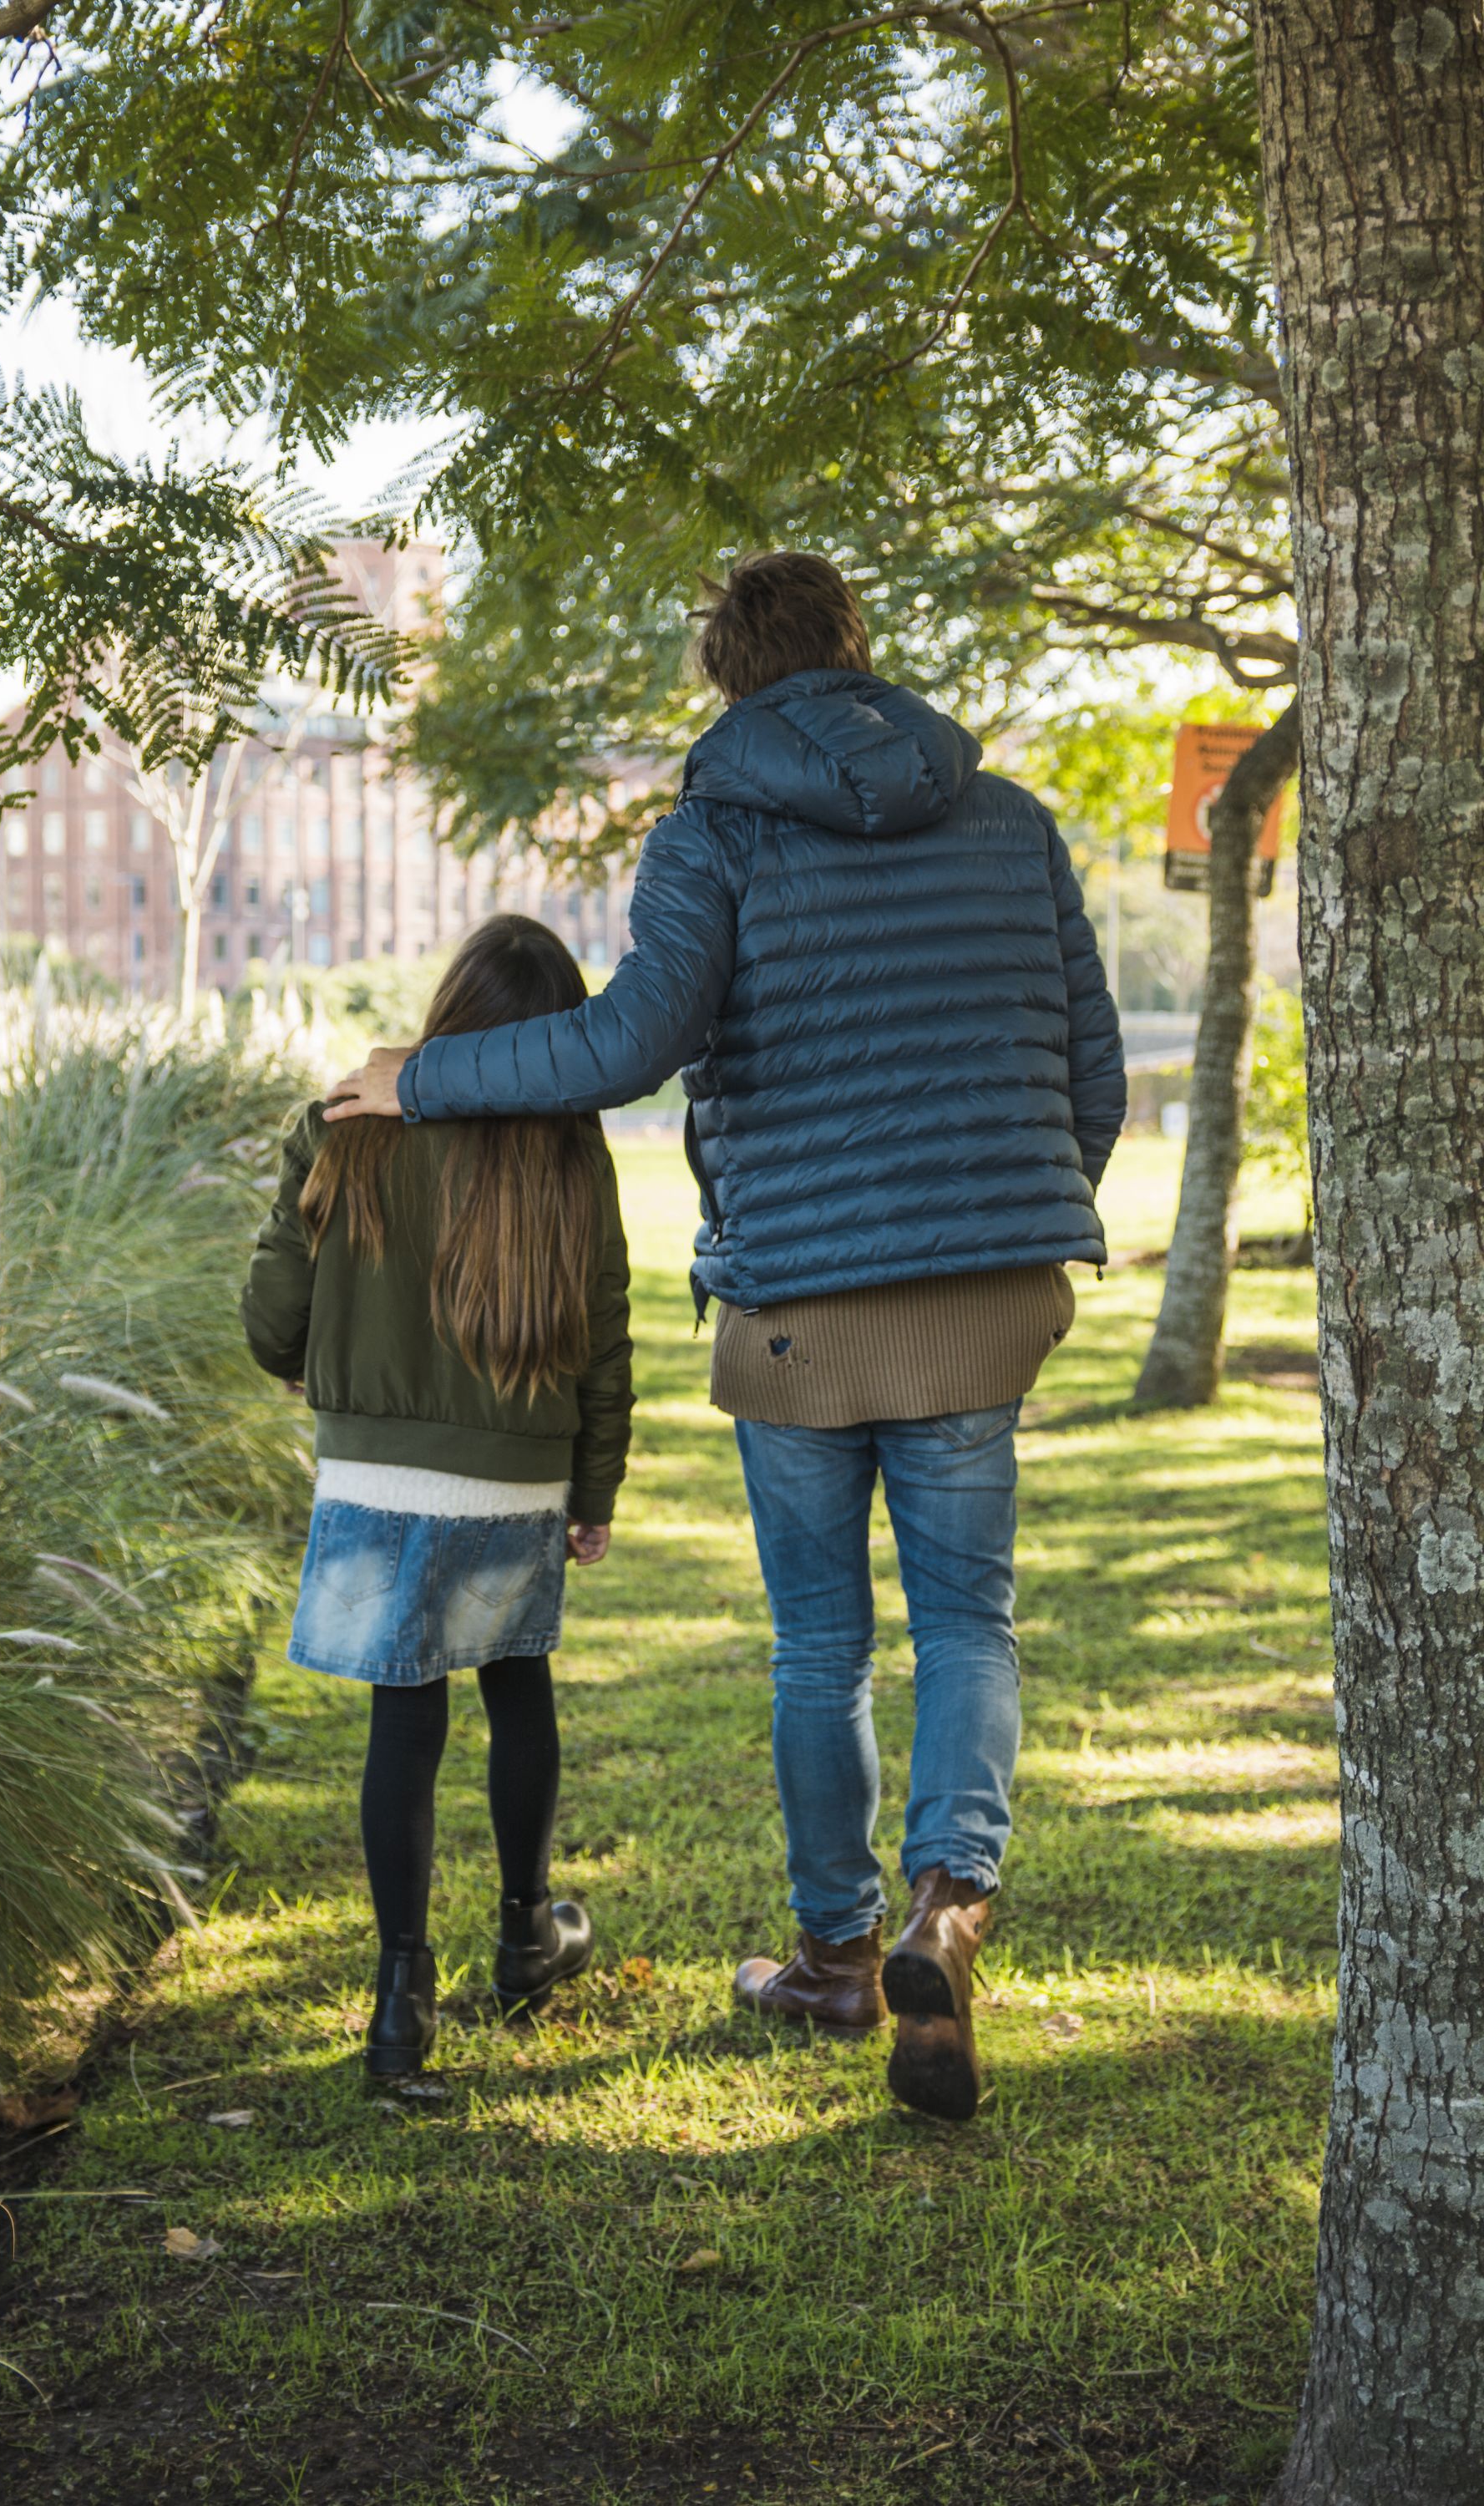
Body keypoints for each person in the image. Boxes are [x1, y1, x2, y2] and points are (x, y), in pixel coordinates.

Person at [323, 553, 1124, 2119]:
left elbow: (628, 1044)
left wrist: (416, 1079)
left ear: (726, 681)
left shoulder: (713, 836)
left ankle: (834, 1951)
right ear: (857, 647)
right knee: (972, 1623)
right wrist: (1011, 1225)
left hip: (798, 1313)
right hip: (983, 1302)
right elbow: (1089, 1074)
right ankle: (947, 1907)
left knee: (822, 1645)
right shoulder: (1014, 823)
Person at [242, 916, 632, 2078]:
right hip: (517, 1476)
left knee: (403, 1722)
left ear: (447, 1008)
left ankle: (400, 1999)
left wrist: (315, 1349)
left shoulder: (346, 1131)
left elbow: (273, 1324)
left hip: (371, 1474)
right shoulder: (571, 1153)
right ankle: (525, 1936)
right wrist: (592, 1485)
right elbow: (604, 1343)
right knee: (518, 1687)